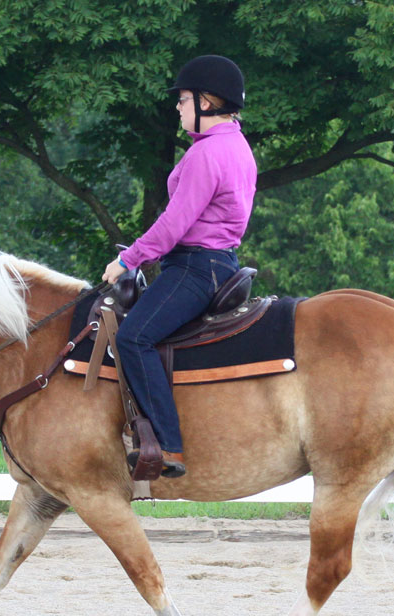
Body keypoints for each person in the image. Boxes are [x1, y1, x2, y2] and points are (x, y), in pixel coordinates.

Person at [102, 55, 257, 478]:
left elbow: (173, 224)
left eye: (184, 99)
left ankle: (167, 446)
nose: (178, 107)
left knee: (133, 337)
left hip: (194, 267)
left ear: (207, 102)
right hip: (217, 263)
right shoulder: (235, 145)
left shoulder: (207, 154)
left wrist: (126, 259)